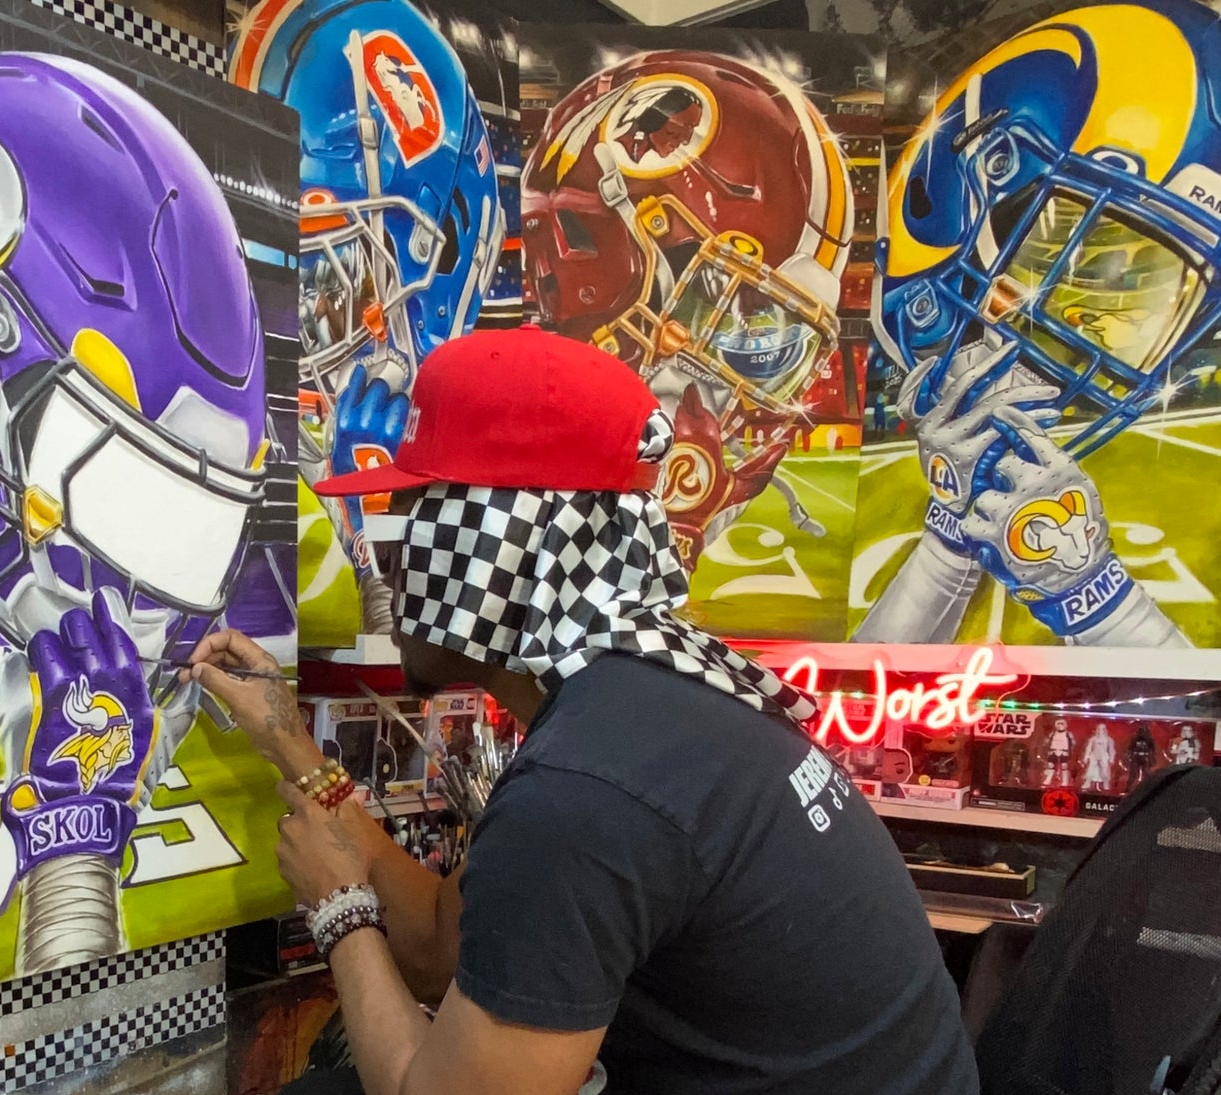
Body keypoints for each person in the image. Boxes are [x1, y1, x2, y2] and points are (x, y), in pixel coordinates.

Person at [188, 327, 978, 1095]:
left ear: (499, 552)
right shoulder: (643, 708)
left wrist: (340, 908)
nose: (389, 561)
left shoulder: (586, 789)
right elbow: (438, 942)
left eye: (411, 522)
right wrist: (290, 741)